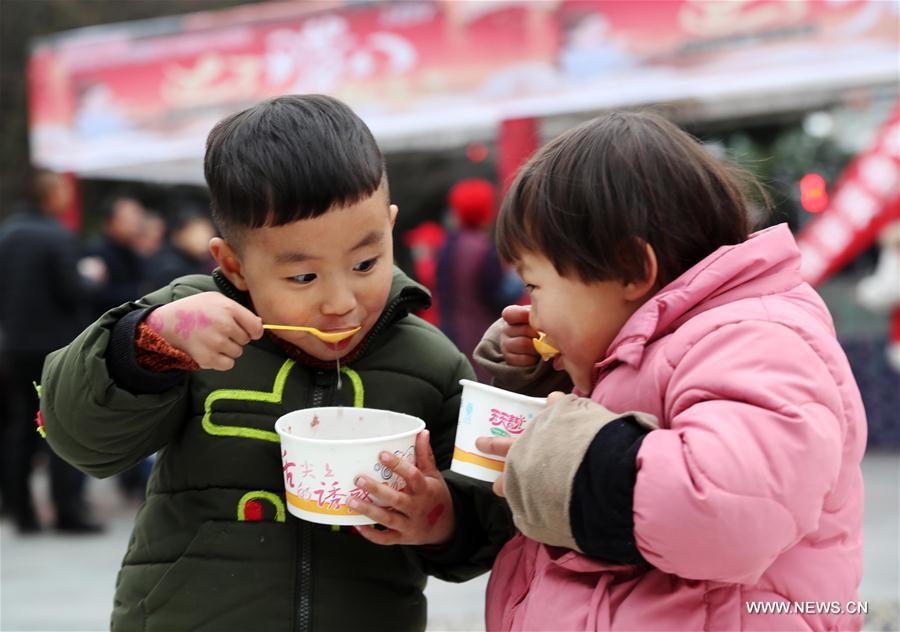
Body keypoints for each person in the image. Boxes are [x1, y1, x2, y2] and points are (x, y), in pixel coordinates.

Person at [40, 95, 512, 631]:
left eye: (365, 262)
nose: (340, 301)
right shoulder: (187, 325)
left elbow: (490, 520)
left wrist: (442, 519)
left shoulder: (429, 362)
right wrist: (145, 344)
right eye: (303, 277)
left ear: (390, 226)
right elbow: (77, 435)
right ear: (234, 266)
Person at [472, 112, 867, 630]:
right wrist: (551, 381)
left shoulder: (755, 336)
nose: (534, 314)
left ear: (633, 271)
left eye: (536, 287)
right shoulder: (662, 343)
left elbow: (728, 510)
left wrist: (576, 462)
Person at [0, 169, 105, 534]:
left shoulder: (7, 234)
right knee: (60, 424)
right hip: (56, 350)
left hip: (16, 346)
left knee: (21, 428)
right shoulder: (58, 236)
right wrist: (91, 277)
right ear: (49, 195)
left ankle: (21, 512)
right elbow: (72, 291)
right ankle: (67, 512)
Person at [436, 178, 524, 382]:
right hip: (479, 335)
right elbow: (499, 298)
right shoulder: (484, 250)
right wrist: (519, 276)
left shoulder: (448, 245)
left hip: (451, 332)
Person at [143, 207, 216, 292]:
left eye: (206, 231)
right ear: (177, 236)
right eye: (195, 234)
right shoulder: (171, 270)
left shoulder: (199, 259)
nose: (204, 239)